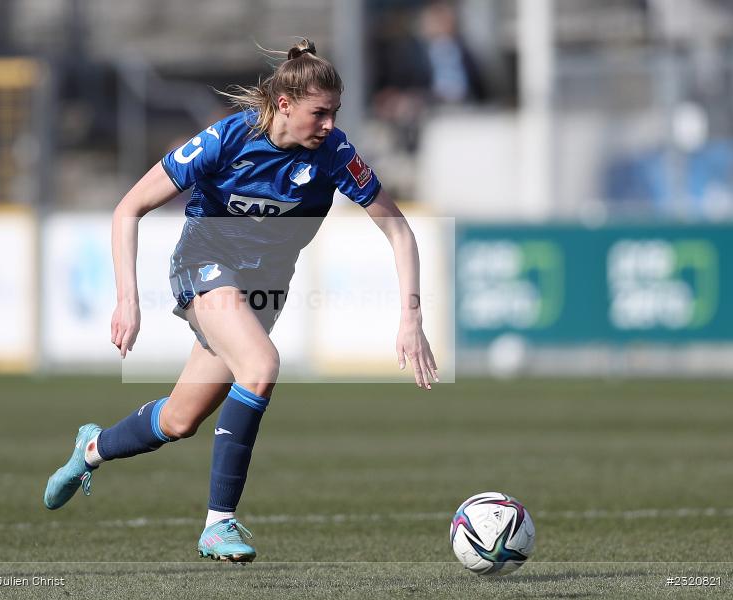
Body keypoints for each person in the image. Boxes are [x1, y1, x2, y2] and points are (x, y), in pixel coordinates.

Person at [43, 39, 439, 563]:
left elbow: (400, 232)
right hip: (203, 264)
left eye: (334, 113)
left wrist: (410, 317)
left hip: (263, 291)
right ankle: (218, 523)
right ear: (283, 105)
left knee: (179, 420)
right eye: (319, 113)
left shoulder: (337, 154)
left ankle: (90, 450)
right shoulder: (227, 139)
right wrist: (127, 298)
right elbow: (129, 207)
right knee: (261, 365)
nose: (328, 124)